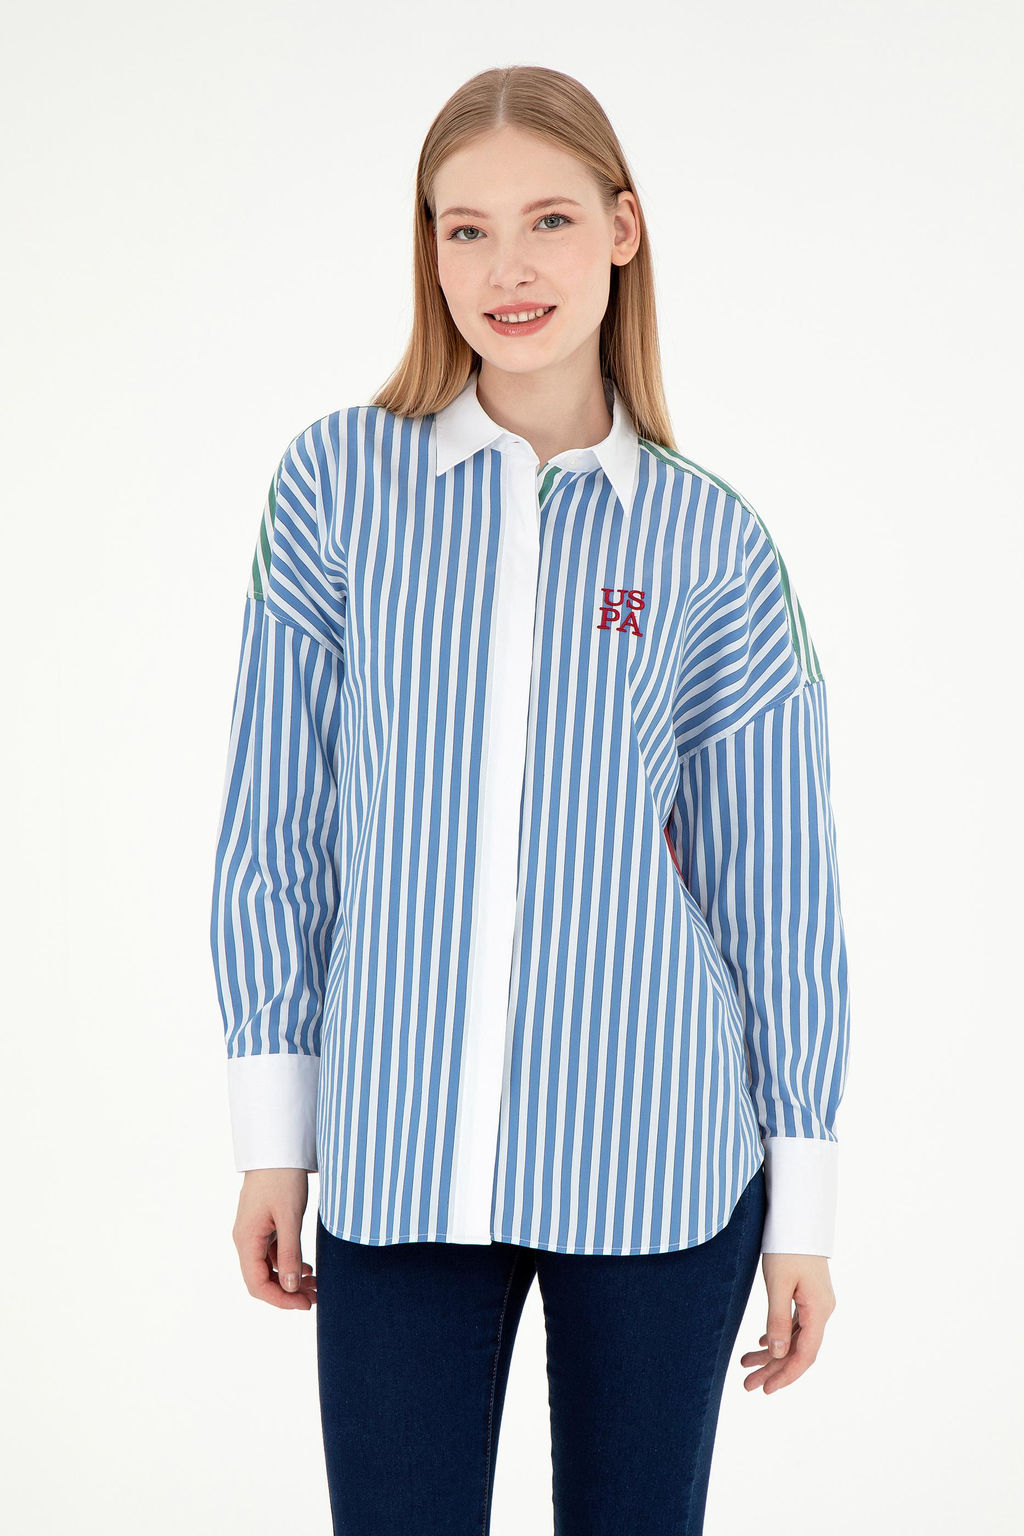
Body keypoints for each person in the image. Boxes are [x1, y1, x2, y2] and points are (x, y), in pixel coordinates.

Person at [209, 64, 851, 1536]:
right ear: (428, 252)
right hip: (396, 1155)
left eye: (550, 220)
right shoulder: (336, 489)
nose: (510, 269)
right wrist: (272, 1132)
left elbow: (777, 896)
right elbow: (273, 831)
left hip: (663, 1164)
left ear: (623, 230)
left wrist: (803, 1212)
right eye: (467, 229)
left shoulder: (713, 546)